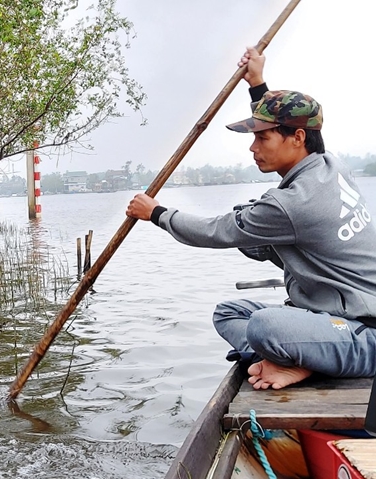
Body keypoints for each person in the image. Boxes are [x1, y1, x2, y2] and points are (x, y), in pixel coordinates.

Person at [126, 47, 376, 390]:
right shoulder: (329, 164)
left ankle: (306, 362)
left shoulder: (293, 204)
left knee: (263, 324)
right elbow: (290, 123)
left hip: (364, 333)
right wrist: (257, 83)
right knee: (229, 312)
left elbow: (216, 232)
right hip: (331, 318)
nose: (252, 147)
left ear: (297, 138)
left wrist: (156, 213)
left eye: (262, 137)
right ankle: (278, 359)